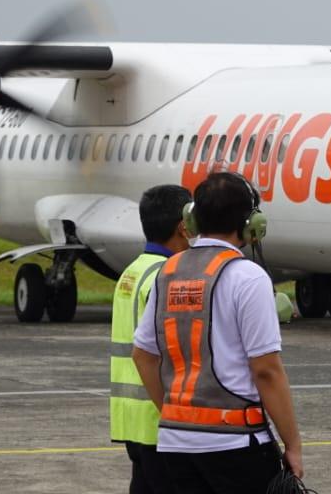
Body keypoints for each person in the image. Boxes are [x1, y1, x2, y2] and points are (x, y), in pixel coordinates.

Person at [132, 172, 303, 493]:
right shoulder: (247, 277)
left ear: (192, 219)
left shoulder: (167, 272)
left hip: (175, 443)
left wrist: (173, 414)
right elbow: (266, 370)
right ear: (252, 223)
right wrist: (292, 443)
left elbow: (143, 356)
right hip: (236, 443)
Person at [111, 184, 194, 494]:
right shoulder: (169, 276)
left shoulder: (132, 272)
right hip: (161, 416)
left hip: (132, 418)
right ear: (183, 226)